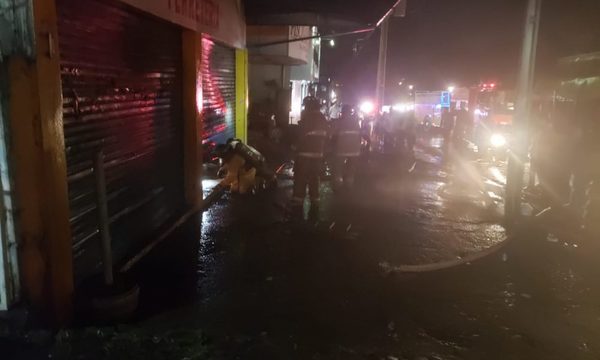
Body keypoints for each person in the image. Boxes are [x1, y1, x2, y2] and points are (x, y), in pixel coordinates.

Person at [293, 96, 329, 210]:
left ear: (309, 106)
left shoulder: (308, 117)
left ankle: (298, 202)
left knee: (301, 177)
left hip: (304, 154)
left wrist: (294, 146)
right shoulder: (323, 118)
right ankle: (315, 200)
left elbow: (301, 135)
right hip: (318, 155)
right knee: (314, 178)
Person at [331, 104, 362, 189]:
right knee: (351, 168)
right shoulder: (355, 122)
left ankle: (338, 184)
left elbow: (332, 135)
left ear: (343, 112)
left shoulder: (339, 122)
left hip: (342, 149)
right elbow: (359, 135)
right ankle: (349, 184)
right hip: (354, 149)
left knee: (338, 166)